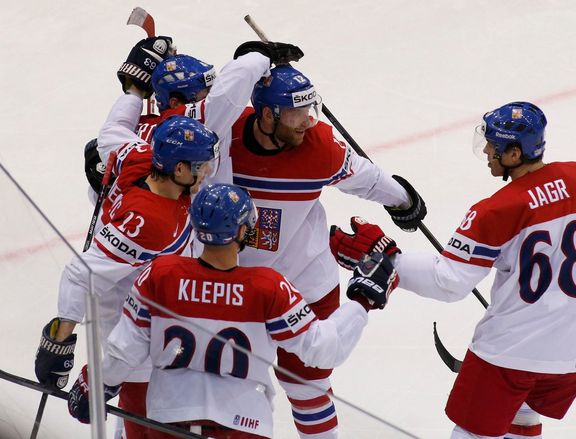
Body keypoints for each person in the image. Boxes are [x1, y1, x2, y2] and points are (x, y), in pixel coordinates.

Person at [329, 101, 576, 439]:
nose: (489, 150)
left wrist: (389, 261)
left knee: (473, 431)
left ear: (514, 154)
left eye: (494, 145)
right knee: (522, 421)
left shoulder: (496, 211)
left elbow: (448, 282)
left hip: (511, 352)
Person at [66, 183, 399, 439]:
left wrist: (98, 383)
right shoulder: (268, 287)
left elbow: (124, 350)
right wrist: (361, 301)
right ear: (241, 231)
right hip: (243, 423)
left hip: (169, 417)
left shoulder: (162, 274)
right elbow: (323, 350)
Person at [228, 64, 427, 437]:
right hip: (236, 285)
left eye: (309, 110)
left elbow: (365, 179)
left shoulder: (319, 147)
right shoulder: (225, 136)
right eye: (296, 113)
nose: (307, 122)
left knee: (307, 387)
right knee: (233, 389)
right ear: (267, 115)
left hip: (306, 284)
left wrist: (404, 200)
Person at [35, 111, 220, 436]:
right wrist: (59, 343)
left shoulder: (142, 157)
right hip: (137, 334)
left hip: (165, 327)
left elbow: (110, 135)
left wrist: (133, 88)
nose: (207, 172)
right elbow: (82, 274)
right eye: (201, 165)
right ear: (178, 169)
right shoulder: (147, 222)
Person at [97, 39, 304, 187]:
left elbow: (112, 132)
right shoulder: (193, 129)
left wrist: (134, 89)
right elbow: (229, 91)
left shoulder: (142, 129)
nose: (212, 94)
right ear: (176, 102)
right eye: (205, 92)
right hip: (199, 243)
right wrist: (261, 54)